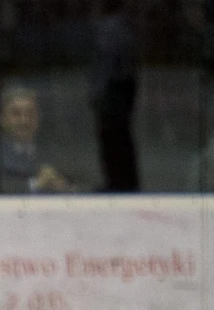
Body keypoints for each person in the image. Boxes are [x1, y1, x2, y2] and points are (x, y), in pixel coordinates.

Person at [92, 0, 139, 192]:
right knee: (121, 137)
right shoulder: (123, 25)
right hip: (122, 89)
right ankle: (125, 181)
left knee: (112, 139)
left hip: (113, 91)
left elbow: (107, 63)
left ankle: (117, 182)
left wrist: (98, 92)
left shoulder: (110, 27)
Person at [0, 87, 76, 194]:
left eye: (30, 113)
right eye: (16, 114)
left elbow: (86, 184)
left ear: (38, 118)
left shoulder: (57, 152)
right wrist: (36, 184)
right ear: (3, 119)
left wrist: (63, 186)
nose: (24, 121)